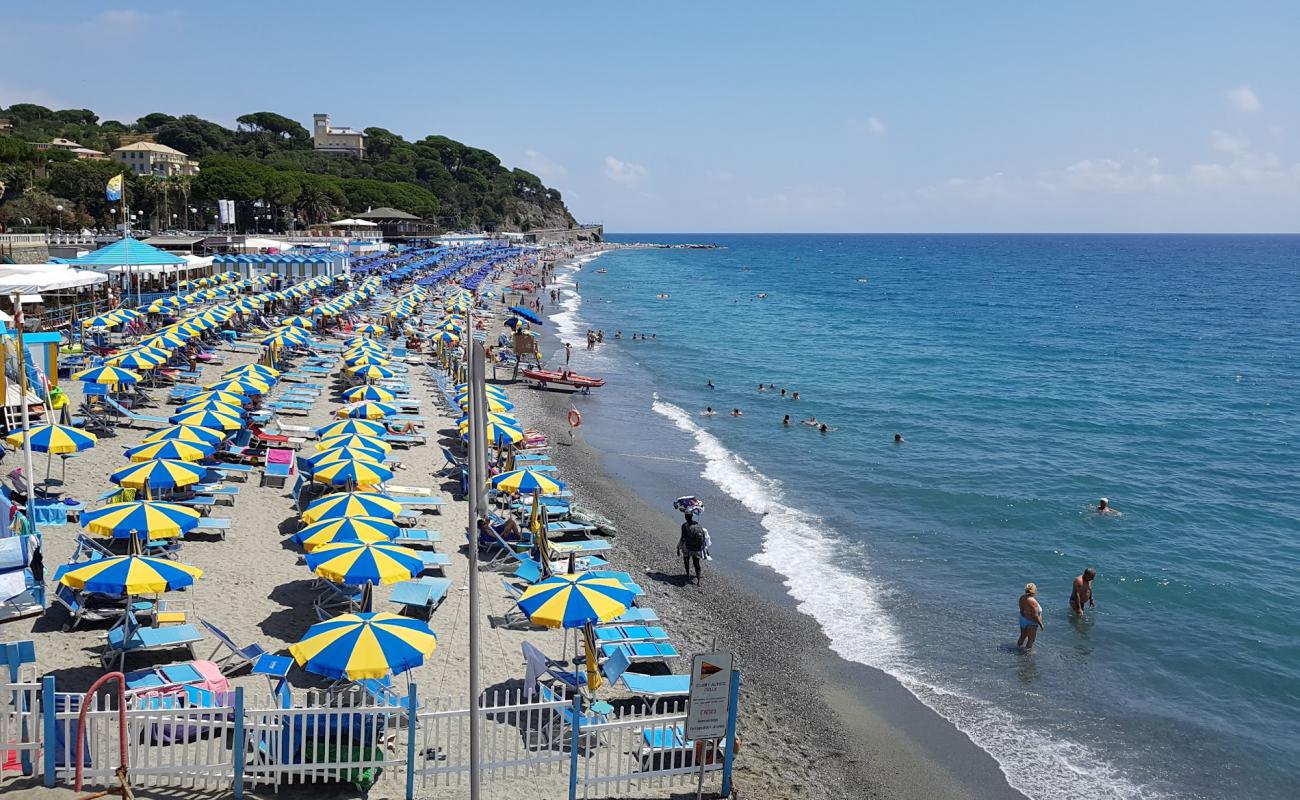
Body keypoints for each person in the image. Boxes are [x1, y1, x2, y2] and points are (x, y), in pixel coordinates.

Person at [678, 512, 707, 585]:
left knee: (686, 560)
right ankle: (698, 581)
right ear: (692, 516)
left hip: (688, 546)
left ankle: (687, 575)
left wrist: (678, 548)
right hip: (697, 548)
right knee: (697, 563)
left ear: (685, 517)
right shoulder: (697, 524)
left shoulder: (684, 525)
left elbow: (683, 538)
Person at [1018, 583, 1044, 650]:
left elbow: (1021, 610)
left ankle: (1018, 649)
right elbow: (1035, 615)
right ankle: (1027, 657)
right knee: (1031, 640)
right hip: (1031, 623)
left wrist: (1025, 616)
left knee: (1022, 637)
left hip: (1023, 620)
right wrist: (1041, 624)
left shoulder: (1022, 597)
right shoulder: (1033, 601)